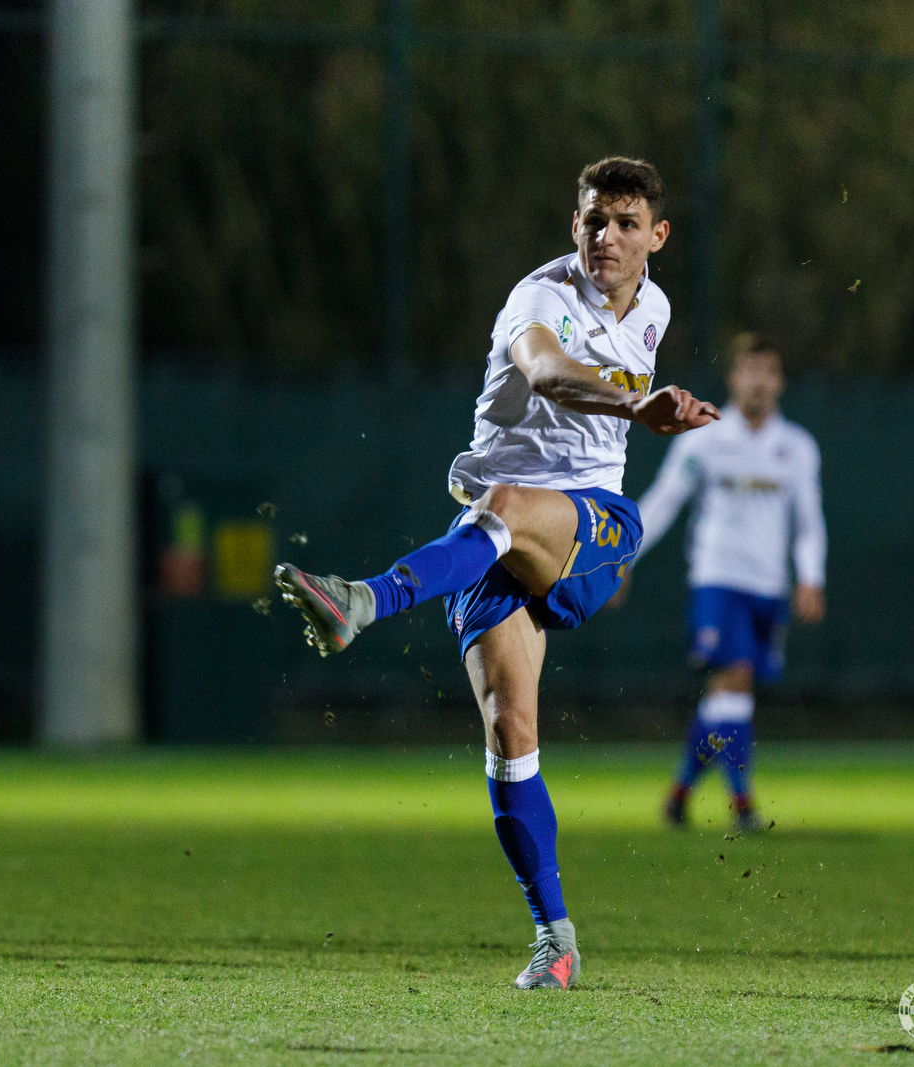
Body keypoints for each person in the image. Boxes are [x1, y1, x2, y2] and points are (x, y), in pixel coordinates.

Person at [274, 157, 718, 990]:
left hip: (591, 525)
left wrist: (633, 414)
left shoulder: (651, 305)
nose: (605, 236)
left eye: (625, 223)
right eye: (593, 219)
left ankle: (365, 599)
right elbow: (545, 370)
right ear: (572, 225)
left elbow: (572, 425)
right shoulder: (539, 296)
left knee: (511, 499)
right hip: (494, 533)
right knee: (511, 735)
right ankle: (556, 940)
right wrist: (637, 405)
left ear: (657, 236)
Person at [618, 333, 826, 832]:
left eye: (768, 371)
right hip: (718, 580)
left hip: (769, 587)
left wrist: (810, 578)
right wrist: (623, 558)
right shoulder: (705, 440)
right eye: (748, 370)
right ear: (733, 379)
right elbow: (663, 501)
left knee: (729, 698)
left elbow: (808, 520)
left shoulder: (796, 447)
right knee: (733, 680)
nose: (758, 381)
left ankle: (678, 794)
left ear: (779, 382)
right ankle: (744, 803)